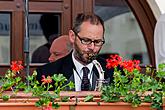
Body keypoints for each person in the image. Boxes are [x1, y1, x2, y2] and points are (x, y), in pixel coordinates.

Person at [36, 13, 114, 91]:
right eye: (86, 40)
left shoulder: (114, 72)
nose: (92, 48)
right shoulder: (47, 73)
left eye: (97, 42)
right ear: (72, 36)